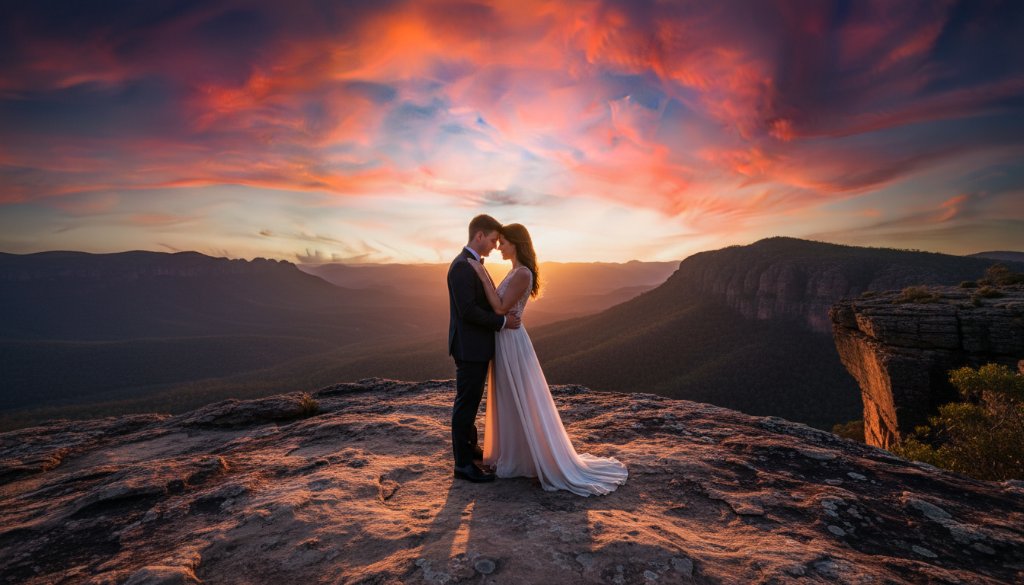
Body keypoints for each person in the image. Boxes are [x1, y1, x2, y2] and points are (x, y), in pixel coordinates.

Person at [466, 223, 628, 496]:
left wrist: (482, 277)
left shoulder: (522, 273)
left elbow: (501, 308)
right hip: (505, 338)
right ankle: (517, 455)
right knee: (510, 396)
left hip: (511, 341)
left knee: (519, 395)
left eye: (503, 242)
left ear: (516, 244)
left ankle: (530, 458)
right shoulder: (515, 271)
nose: (499, 247)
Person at [447, 214, 522, 483]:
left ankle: (470, 449)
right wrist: (502, 322)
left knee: (472, 400)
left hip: (476, 346)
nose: (494, 246)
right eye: (492, 240)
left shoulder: (473, 264)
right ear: (479, 236)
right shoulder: (461, 267)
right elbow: (467, 311)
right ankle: (462, 465)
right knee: (466, 404)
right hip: (469, 347)